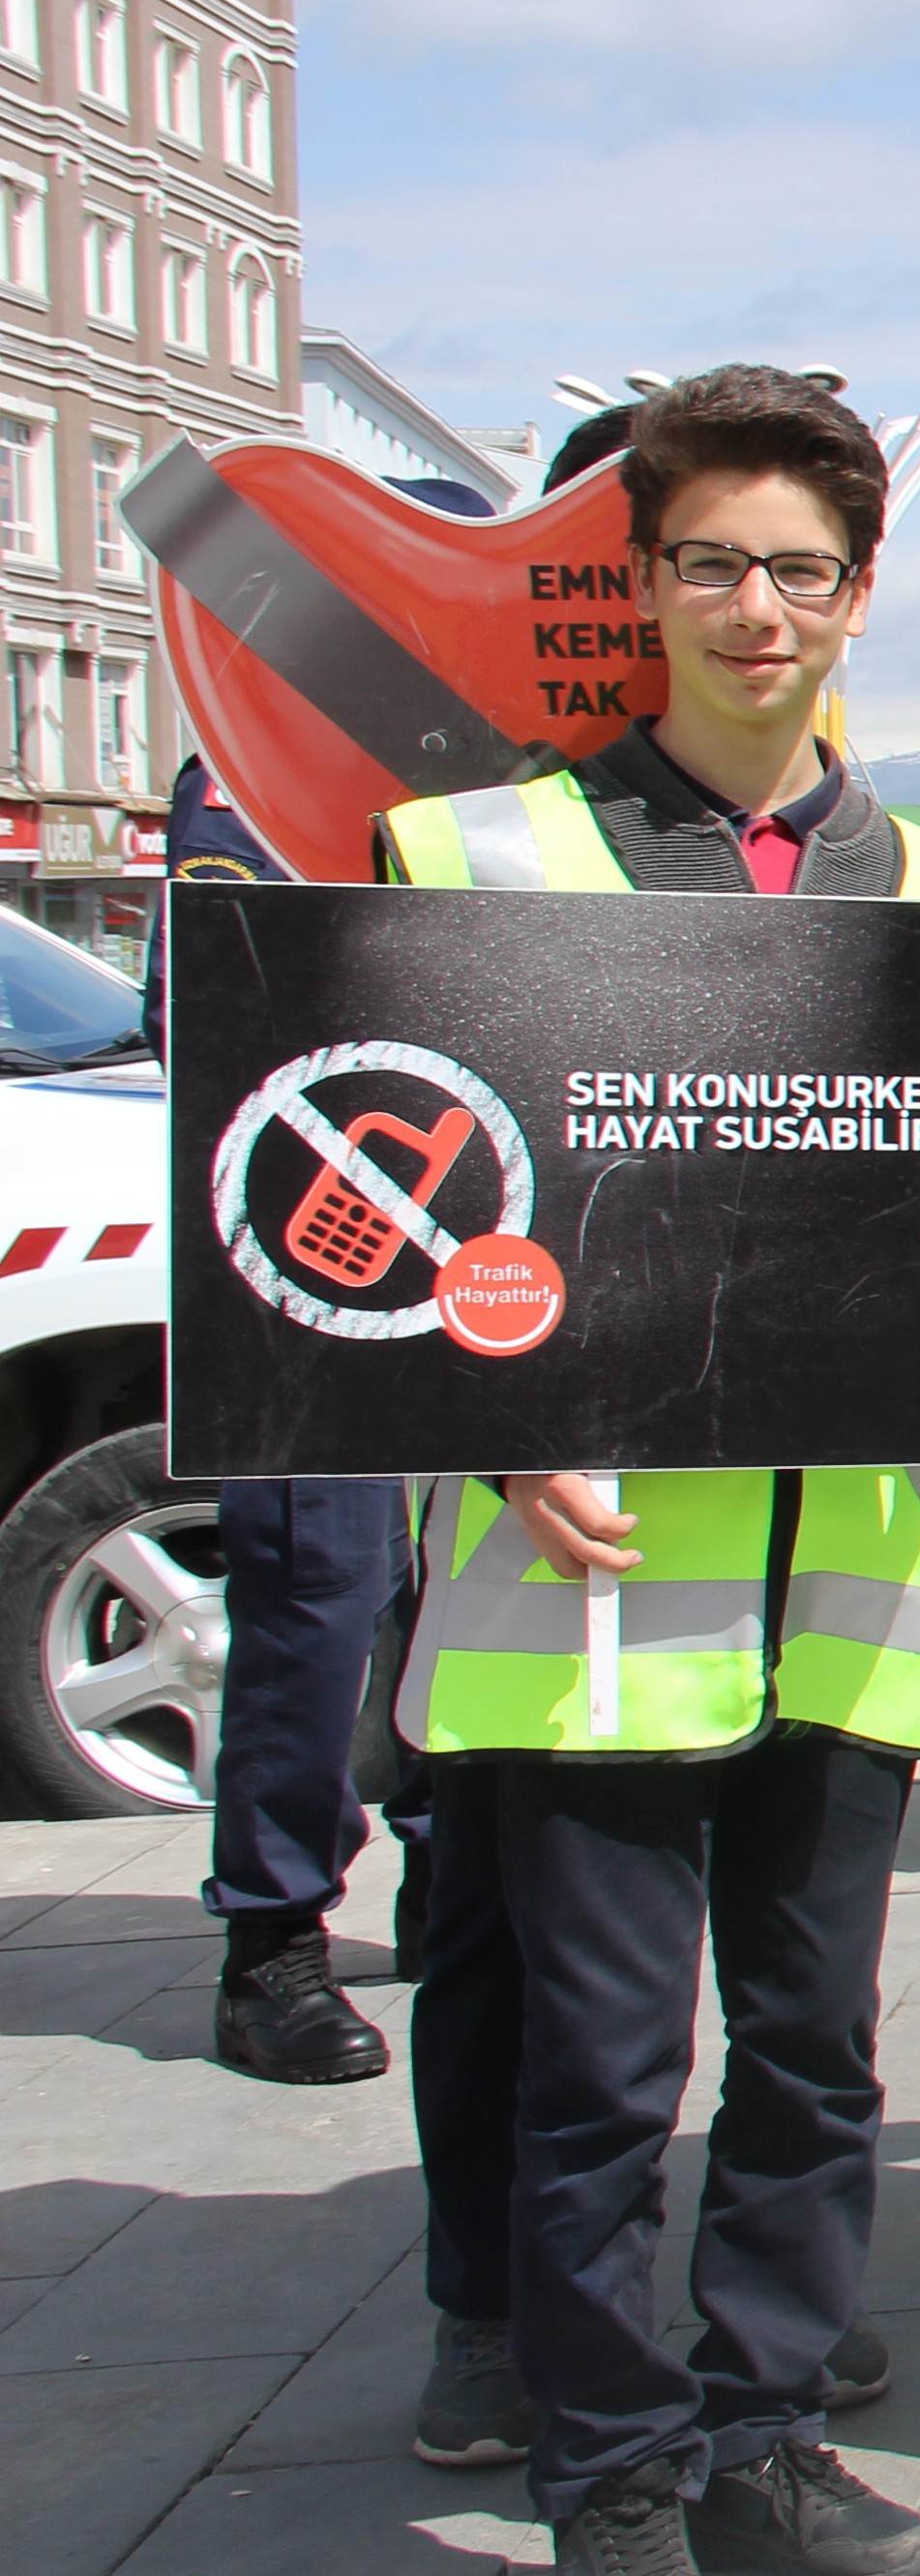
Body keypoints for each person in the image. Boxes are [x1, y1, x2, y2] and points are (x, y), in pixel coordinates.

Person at [376, 365, 920, 2576]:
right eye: (707, 563)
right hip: (578, 1592)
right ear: (639, 586)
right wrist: (484, 1424)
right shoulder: (476, 860)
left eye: (795, 567)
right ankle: (609, 2480)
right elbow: (384, 1232)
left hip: (843, 1584)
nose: (754, 606)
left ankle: (764, 2425)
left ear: (859, 594)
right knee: (588, 2068)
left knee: (815, 2045)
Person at [163, 749, 398, 2090]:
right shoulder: (257, 750)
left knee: (458, 1589)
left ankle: (460, 1882)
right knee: (321, 1588)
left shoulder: (515, 742)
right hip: (315, 1258)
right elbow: (206, 1010)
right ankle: (272, 1944)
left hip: (499, 1237)